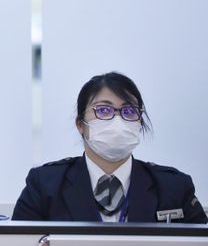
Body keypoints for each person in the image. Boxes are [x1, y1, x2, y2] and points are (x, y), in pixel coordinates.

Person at [12, 72, 207, 223]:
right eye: (103, 110)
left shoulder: (174, 187)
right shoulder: (44, 185)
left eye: (129, 111)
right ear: (80, 124)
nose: (118, 120)